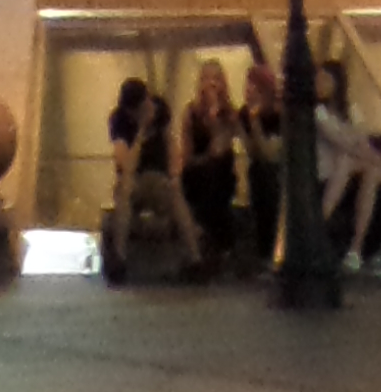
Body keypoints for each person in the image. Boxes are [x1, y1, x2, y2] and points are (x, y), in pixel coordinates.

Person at [312, 56, 381, 279]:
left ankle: (359, 250)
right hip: (329, 175)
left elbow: (362, 141)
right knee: (356, 162)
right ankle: (328, 233)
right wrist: (366, 151)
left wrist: (364, 150)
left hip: (354, 174)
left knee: (380, 184)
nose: (320, 85)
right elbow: (344, 142)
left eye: (325, 80)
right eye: (318, 80)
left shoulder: (352, 110)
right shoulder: (317, 112)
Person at [104, 75, 198, 276]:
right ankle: (119, 257)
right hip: (134, 179)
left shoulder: (161, 111)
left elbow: (171, 147)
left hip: (158, 177)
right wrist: (141, 132)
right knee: (125, 190)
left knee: (174, 193)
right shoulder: (119, 121)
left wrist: (175, 176)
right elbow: (126, 165)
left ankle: (194, 258)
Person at [177, 62, 244, 270]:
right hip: (195, 173)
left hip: (221, 174)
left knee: (216, 174)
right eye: (206, 78)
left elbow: (219, 150)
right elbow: (188, 156)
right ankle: (215, 246)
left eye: (216, 79)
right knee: (206, 177)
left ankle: (212, 246)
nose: (211, 84)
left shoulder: (230, 114)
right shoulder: (191, 113)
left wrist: (215, 121)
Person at [239, 58, 284, 269]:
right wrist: (245, 123)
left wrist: (255, 121)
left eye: (255, 88)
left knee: (266, 174)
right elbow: (252, 151)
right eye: (247, 86)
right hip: (260, 167)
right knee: (257, 171)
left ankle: (272, 249)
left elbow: (269, 153)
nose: (249, 92)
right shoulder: (244, 114)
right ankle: (263, 249)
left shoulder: (279, 115)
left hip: (280, 167)